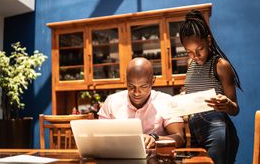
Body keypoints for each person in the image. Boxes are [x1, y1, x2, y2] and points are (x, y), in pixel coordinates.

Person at [179, 9, 241, 164]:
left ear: (208, 40)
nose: (195, 56)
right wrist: (184, 97)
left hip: (217, 131)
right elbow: (194, 90)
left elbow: (235, 109)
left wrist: (226, 104)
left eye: (199, 49)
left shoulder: (220, 65)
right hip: (194, 130)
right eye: (189, 52)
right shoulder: (190, 64)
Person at [97, 57, 185, 149]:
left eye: (143, 87)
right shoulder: (112, 102)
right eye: (131, 86)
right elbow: (98, 137)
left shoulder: (166, 101)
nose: (136, 92)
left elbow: (179, 138)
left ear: (153, 81)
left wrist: (155, 139)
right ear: (126, 81)